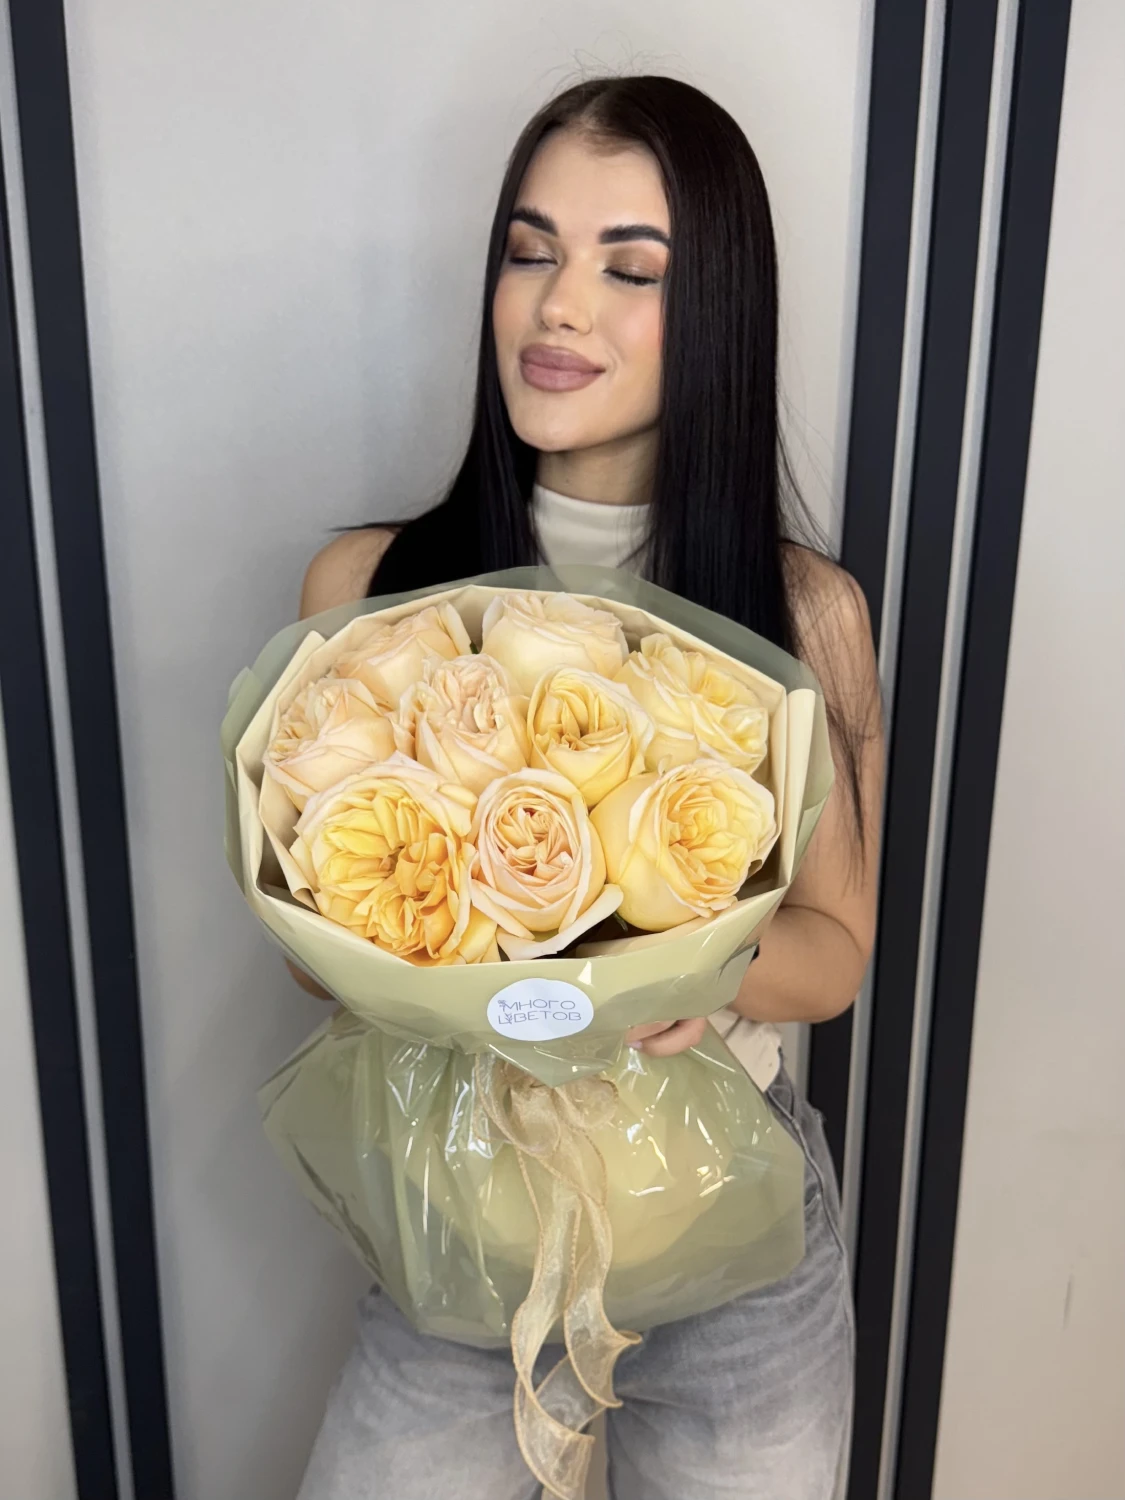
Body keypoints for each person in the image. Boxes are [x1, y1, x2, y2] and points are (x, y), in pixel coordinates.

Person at [289, 75, 883, 1500]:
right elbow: (313, 955)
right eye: (530, 250)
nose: (559, 307)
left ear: (720, 309)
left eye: (632, 270)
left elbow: (836, 953)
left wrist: (684, 957)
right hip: (468, 1219)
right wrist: (454, 926)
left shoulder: (805, 615)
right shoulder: (370, 592)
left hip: (732, 1235)